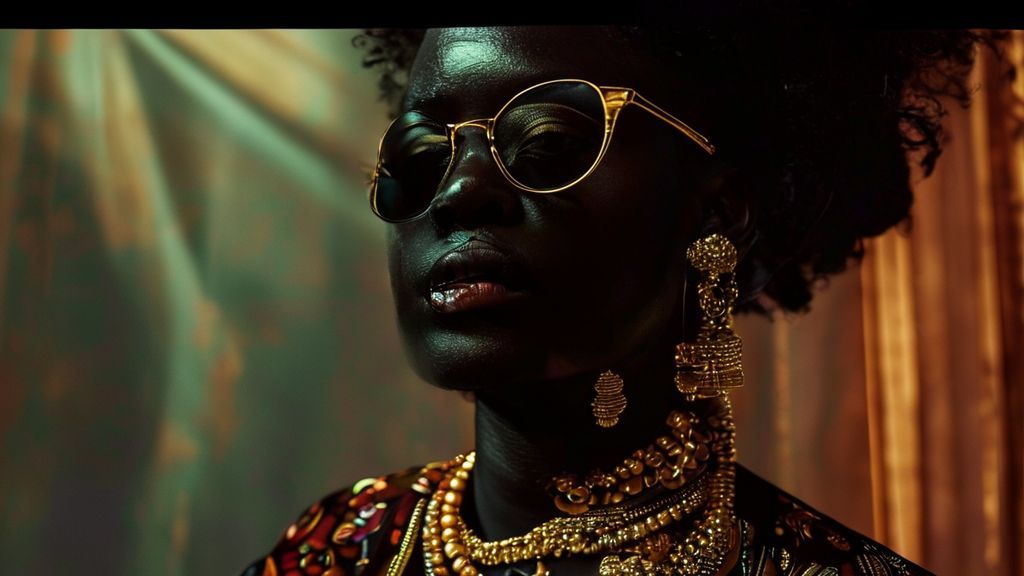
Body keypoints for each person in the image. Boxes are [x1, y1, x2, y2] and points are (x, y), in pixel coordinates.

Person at [238, 20, 1010, 576]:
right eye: (419, 154)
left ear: (717, 213)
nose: (460, 190)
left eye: (545, 141)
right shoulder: (335, 549)